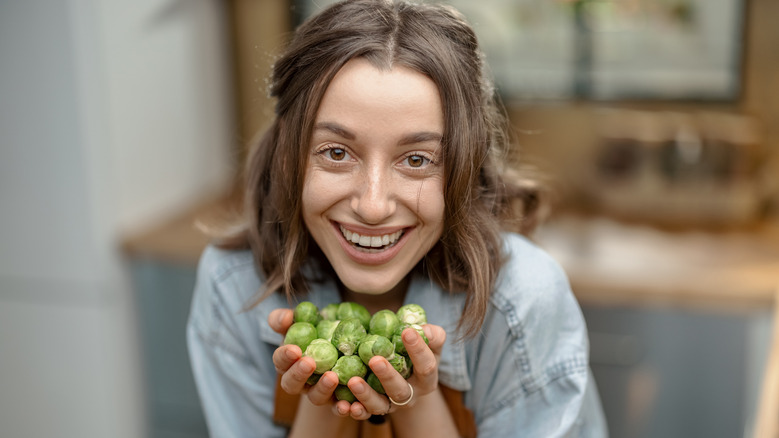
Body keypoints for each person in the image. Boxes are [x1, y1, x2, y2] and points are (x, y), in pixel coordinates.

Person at [187, 0, 607, 436]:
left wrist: (416, 402)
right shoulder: (232, 286)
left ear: (464, 169)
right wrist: (324, 395)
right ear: (287, 156)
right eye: (336, 152)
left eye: (417, 159)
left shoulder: (523, 301)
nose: (373, 206)